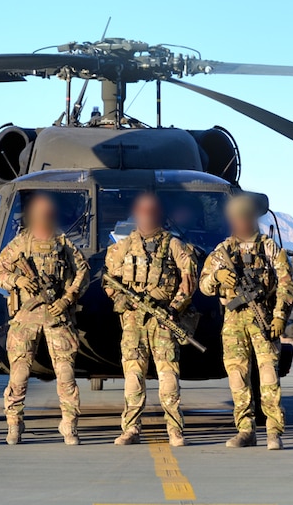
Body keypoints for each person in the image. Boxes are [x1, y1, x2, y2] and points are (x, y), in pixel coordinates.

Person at [200, 195, 293, 450]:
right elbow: (204, 285)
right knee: (238, 376)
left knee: (268, 376)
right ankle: (245, 430)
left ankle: (274, 431)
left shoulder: (269, 248)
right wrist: (218, 276)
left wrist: (279, 316)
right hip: (234, 322)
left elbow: (287, 284)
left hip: (263, 318)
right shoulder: (223, 251)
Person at [104, 192, 197, 447]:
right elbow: (109, 282)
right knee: (133, 376)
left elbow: (189, 282)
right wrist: (124, 303)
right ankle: (131, 429)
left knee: (169, 378)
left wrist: (174, 308)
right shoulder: (122, 247)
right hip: (134, 322)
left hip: (164, 321)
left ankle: (175, 430)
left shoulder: (174, 245)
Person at [0, 193, 89, 445]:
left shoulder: (63, 242)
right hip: (26, 316)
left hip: (58, 315)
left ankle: (69, 424)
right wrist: (18, 280)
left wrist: (67, 299)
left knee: (66, 373)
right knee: (19, 374)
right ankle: (14, 423)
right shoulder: (20, 244)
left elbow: (82, 272)